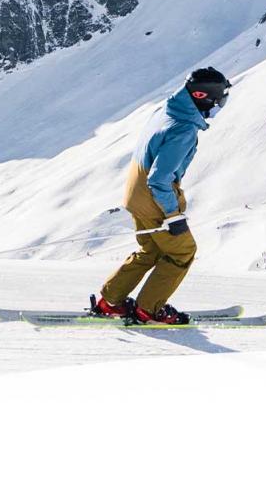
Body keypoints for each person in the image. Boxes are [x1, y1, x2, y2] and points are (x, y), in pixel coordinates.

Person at [89, 67, 232, 325]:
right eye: (218, 100)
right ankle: (149, 310)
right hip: (154, 195)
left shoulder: (167, 109)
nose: (219, 106)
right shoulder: (184, 128)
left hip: (135, 191)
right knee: (182, 251)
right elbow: (159, 179)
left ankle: (111, 302)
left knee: (151, 250)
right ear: (202, 96)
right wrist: (172, 215)